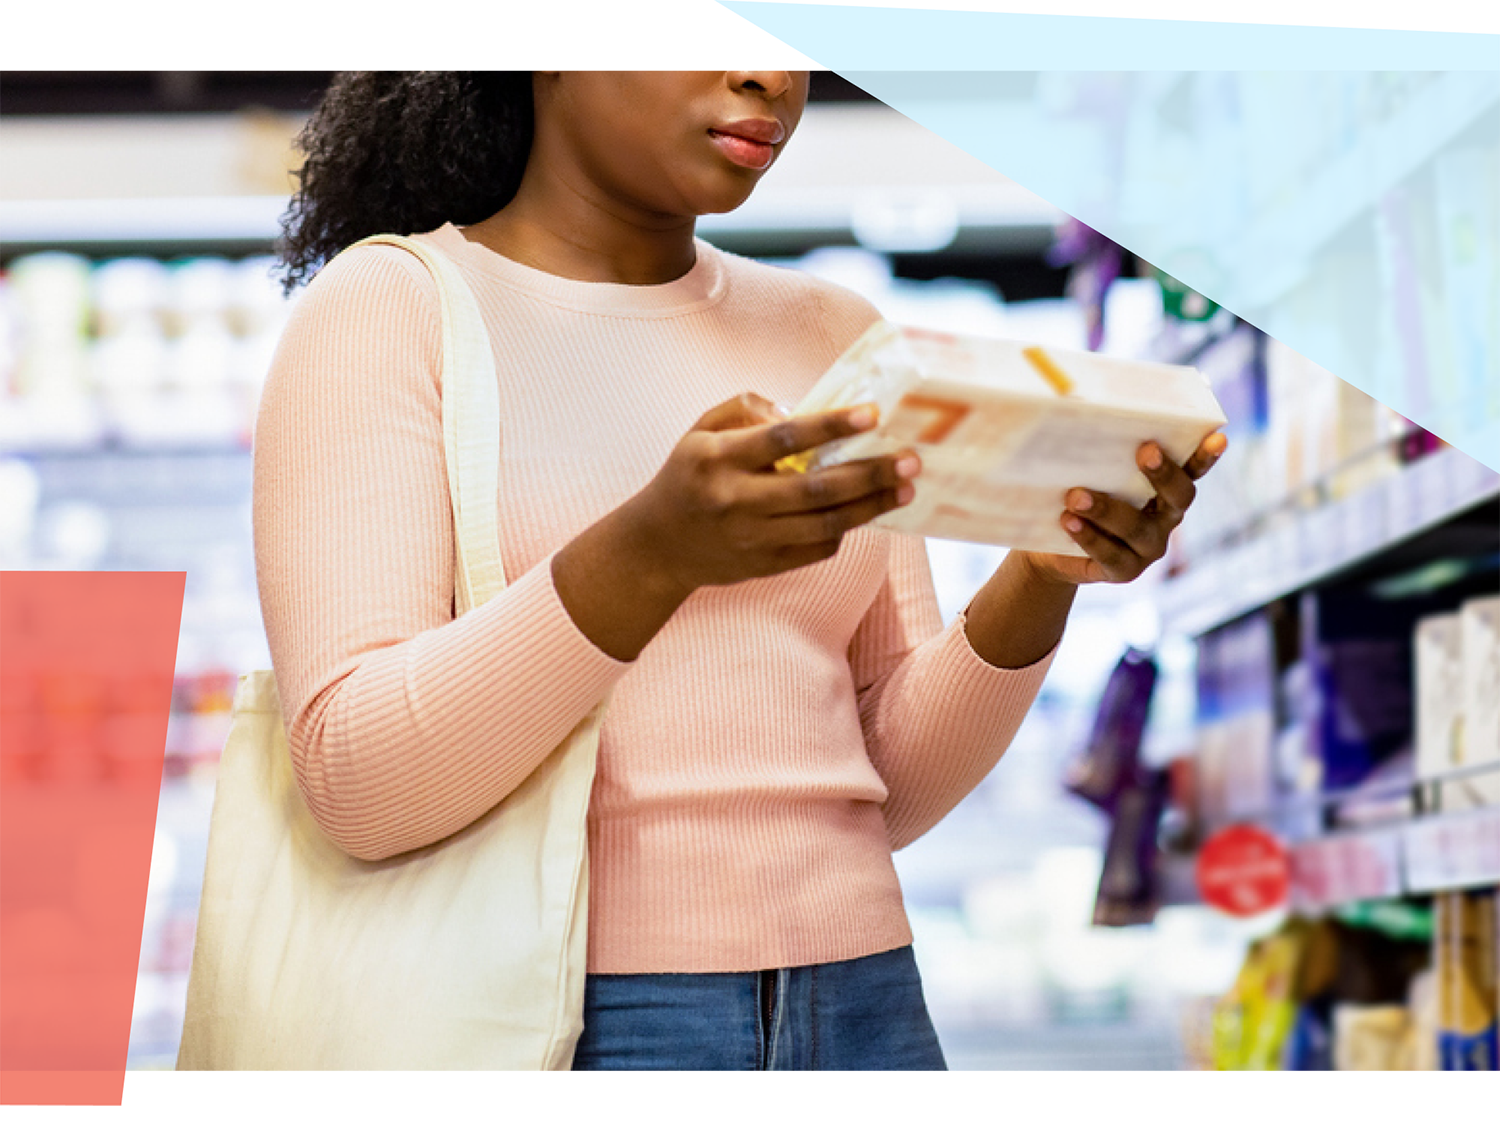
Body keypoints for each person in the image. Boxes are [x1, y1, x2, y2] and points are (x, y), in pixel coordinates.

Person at [258, 69, 1224, 1118]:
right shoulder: (388, 311)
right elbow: (356, 780)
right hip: (563, 1022)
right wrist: (649, 555)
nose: (769, 73)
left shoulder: (831, 332)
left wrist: (1042, 572)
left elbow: (886, 786)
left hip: (867, 1005)